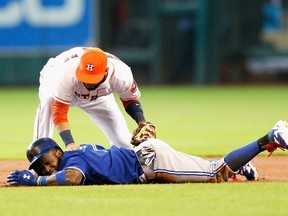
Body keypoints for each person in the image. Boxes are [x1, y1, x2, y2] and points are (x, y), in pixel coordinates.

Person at [7, 120, 288, 186]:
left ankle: (268, 137)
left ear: (57, 151)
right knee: (209, 168)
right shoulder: (82, 151)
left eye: (44, 161)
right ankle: (243, 166)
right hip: (143, 155)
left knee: (217, 173)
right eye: (37, 168)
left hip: (150, 161)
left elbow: (72, 178)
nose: (43, 169)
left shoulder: (72, 158)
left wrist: (36, 182)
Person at [32, 47, 156, 151]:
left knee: (124, 143)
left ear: (106, 72)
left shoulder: (121, 75)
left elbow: (129, 100)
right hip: (56, 77)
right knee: (49, 102)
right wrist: (69, 143)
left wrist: (141, 122)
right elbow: (59, 112)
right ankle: (39, 153)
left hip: (99, 97)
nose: (88, 81)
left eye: (93, 78)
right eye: (85, 76)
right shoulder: (67, 73)